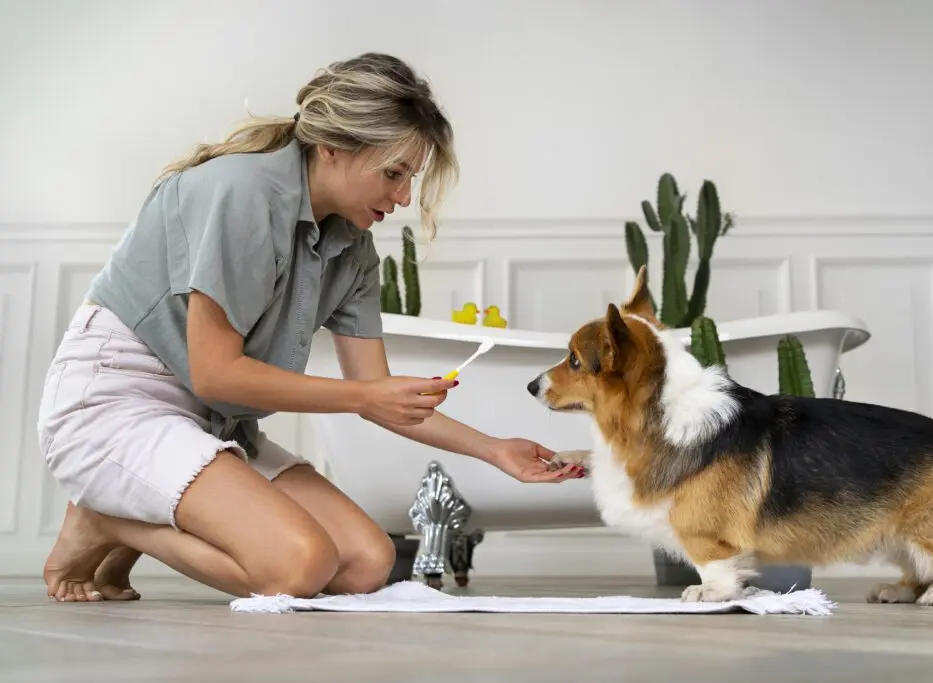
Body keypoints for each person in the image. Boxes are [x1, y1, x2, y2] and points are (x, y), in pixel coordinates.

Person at [37, 53, 582, 603]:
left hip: (211, 422)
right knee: (296, 569)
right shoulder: (241, 193)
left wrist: (494, 450)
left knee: (368, 563)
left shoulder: (354, 251)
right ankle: (107, 521)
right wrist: (364, 397)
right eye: (394, 173)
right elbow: (216, 374)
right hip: (116, 402)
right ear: (332, 147)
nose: (404, 198)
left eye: (410, 178)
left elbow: (376, 393)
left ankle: (124, 512)